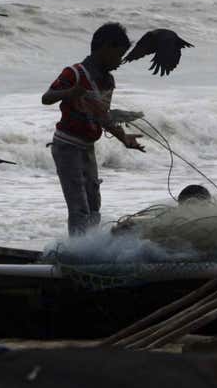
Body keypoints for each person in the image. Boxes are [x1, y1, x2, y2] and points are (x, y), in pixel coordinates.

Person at [42, 22, 145, 235]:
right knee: (79, 206)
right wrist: (70, 92)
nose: (120, 62)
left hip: (88, 148)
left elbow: (103, 117)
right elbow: (47, 98)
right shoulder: (75, 73)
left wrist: (123, 137)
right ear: (105, 49)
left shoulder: (108, 81)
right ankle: (77, 253)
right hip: (67, 147)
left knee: (94, 204)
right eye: (119, 55)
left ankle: (89, 247)